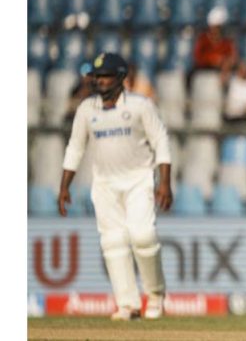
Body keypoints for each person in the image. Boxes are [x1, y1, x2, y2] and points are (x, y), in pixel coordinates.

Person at [57, 52, 173, 320]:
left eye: (107, 76)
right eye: (97, 77)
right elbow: (75, 148)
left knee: (142, 236)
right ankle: (128, 305)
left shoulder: (140, 105)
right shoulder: (87, 109)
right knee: (113, 242)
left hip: (138, 179)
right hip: (105, 184)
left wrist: (164, 182)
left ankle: (155, 296)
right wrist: (64, 187)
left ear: (121, 78)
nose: (101, 82)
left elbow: (161, 141)